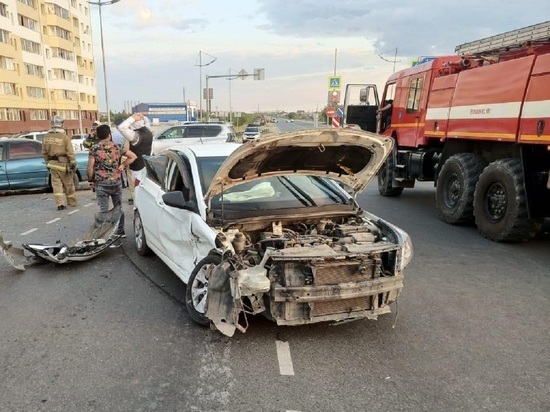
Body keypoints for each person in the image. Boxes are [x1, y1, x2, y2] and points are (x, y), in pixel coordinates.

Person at [87, 124, 137, 238]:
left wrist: (90, 179)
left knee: (103, 209)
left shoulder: (94, 149)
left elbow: (90, 167)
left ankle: (103, 233)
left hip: (101, 182)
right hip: (116, 181)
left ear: (98, 136)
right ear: (109, 135)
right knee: (118, 207)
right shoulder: (117, 147)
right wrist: (123, 165)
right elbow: (133, 156)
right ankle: (120, 231)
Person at [42, 115, 78, 210]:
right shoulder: (64, 137)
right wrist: (73, 164)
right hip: (64, 165)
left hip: (52, 164)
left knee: (56, 185)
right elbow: (70, 153)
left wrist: (47, 163)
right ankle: (72, 202)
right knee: (68, 184)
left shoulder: (46, 137)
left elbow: (44, 152)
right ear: (61, 124)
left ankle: (60, 204)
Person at [118, 113, 153, 203]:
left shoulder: (135, 136)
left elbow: (121, 127)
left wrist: (132, 118)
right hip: (146, 164)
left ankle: (137, 208)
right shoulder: (149, 132)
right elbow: (147, 123)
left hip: (136, 167)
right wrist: (142, 117)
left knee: (136, 191)